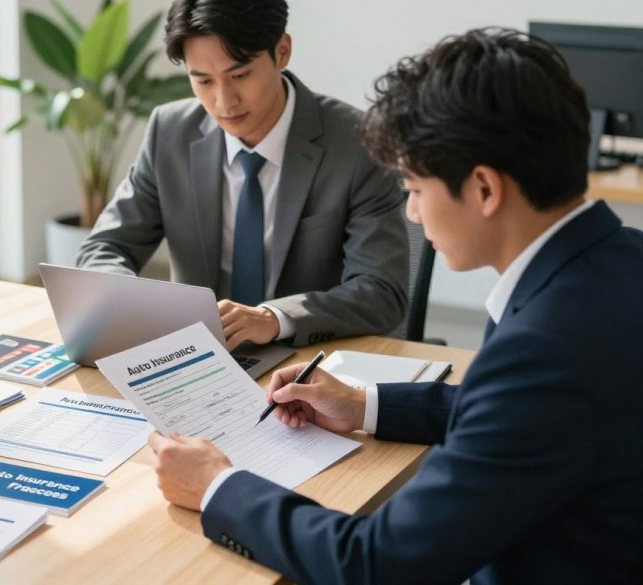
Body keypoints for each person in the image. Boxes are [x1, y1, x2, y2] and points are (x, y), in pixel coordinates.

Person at [146, 28, 643, 584]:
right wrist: (364, 406)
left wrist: (217, 486)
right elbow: (523, 418)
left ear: (484, 188)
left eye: (414, 187)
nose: (411, 214)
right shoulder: (619, 259)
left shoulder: (548, 348)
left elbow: (379, 562)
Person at [76, 0, 408, 350]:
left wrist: (273, 318)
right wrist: (129, 300)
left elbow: (382, 291)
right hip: (195, 359)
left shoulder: (357, 144)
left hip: (308, 360)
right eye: (203, 80)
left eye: (240, 75)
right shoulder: (170, 132)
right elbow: (105, 246)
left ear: (282, 52)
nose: (224, 102)